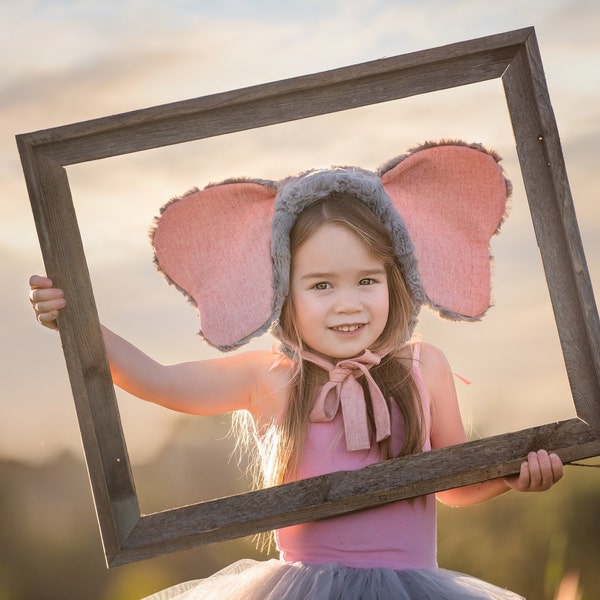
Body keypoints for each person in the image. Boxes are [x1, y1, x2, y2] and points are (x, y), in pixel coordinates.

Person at [29, 141, 563, 599]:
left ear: (394, 279)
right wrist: (75, 322)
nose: (348, 303)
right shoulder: (271, 377)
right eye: (322, 285)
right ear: (285, 292)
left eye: (367, 280)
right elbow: (157, 380)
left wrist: (510, 476)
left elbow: (451, 484)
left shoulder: (424, 366)